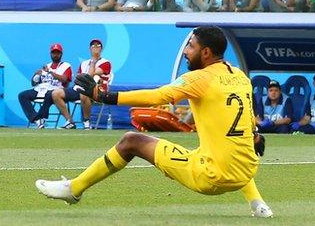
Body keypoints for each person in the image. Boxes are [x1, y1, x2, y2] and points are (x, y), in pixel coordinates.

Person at [35, 26, 273, 218]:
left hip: (211, 176)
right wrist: (254, 135)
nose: (187, 51)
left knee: (131, 141)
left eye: (191, 46)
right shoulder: (240, 77)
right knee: (231, 147)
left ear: (206, 53)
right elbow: (246, 120)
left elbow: (158, 96)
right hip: (246, 170)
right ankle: (258, 204)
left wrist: (105, 96)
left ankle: (73, 189)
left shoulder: (199, 78)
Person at [50, 39, 112, 130]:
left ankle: (86, 121)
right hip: (80, 88)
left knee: (84, 93)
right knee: (55, 94)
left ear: (101, 49)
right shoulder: (84, 63)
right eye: (93, 46)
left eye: (97, 46)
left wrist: (94, 61)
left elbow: (90, 76)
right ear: (90, 49)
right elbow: (78, 77)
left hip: (98, 90)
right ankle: (70, 121)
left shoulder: (106, 63)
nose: (95, 47)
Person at [18, 43, 73, 128]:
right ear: (50, 54)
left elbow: (64, 79)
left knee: (50, 94)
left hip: (56, 90)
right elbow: (34, 83)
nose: (55, 55)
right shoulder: (46, 66)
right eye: (53, 53)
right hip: (41, 89)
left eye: (57, 53)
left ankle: (41, 117)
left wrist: (50, 72)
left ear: (61, 54)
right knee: (22, 95)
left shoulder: (66, 66)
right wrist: (36, 75)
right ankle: (37, 119)